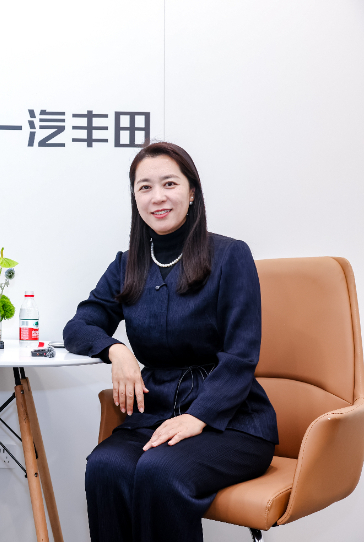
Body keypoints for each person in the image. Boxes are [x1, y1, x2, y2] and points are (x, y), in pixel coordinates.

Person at [63, 142, 278, 542]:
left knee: (160, 471)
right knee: (105, 467)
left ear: (191, 191)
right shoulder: (127, 264)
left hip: (231, 421)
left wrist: (198, 417)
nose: (157, 197)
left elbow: (241, 355)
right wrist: (116, 350)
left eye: (169, 183)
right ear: (135, 197)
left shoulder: (230, 255)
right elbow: (79, 326)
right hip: (156, 414)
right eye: (144, 187)